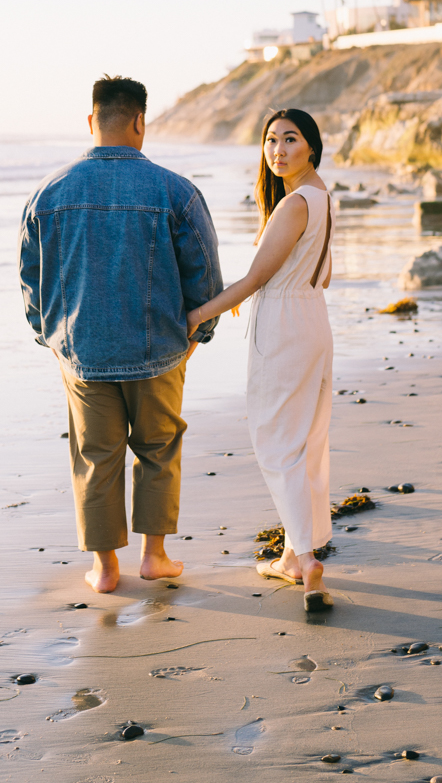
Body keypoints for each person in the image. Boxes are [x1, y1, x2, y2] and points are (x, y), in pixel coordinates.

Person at [19, 75, 223, 594]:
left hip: (82, 353)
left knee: (95, 454)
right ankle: (154, 557)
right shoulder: (174, 190)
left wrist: (52, 337)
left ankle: (106, 568)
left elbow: (30, 276)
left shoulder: (49, 193)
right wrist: (199, 335)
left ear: (91, 121)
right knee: (158, 447)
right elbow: (204, 272)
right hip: (159, 349)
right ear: (139, 122)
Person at [187, 108, 335, 613]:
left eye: (290, 140)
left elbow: (252, 280)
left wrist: (198, 315)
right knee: (306, 440)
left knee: (278, 445)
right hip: (313, 319)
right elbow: (326, 275)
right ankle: (295, 554)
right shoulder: (321, 197)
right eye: (271, 140)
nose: (278, 150)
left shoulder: (294, 204)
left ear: (311, 146)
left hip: (286, 325)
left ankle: (308, 558)